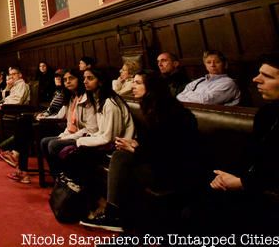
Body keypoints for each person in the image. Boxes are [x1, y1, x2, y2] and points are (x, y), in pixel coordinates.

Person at [80, 70, 201, 233]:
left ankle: (116, 216)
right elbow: (154, 143)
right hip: (160, 162)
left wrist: (136, 148)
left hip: (176, 171)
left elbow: (171, 152)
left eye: (137, 83)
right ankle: (118, 216)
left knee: (122, 162)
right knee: (120, 157)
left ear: (151, 86)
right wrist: (135, 144)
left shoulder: (169, 111)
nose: (133, 86)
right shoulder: (153, 106)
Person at [201, 55, 279, 233]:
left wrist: (243, 182)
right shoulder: (266, 112)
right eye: (259, 73)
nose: (255, 79)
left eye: (267, 76)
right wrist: (226, 176)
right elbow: (253, 154)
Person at [40, 67, 95, 180]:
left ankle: (64, 178)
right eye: (65, 80)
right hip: (73, 133)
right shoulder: (71, 97)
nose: (68, 82)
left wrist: (67, 137)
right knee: (44, 142)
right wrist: (63, 136)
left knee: (53, 144)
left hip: (86, 136)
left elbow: (90, 129)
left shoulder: (87, 98)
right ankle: (58, 178)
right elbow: (70, 124)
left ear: (79, 80)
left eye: (71, 78)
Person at [176, 50, 241, 105]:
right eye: (209, 62)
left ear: (224, 64)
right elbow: (178, 97)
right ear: (205, 65)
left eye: (217, 62)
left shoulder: (228, 83)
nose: (212, 65)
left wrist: (188, 93)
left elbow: (206, 101)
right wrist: (197, 97)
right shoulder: (199, 81)